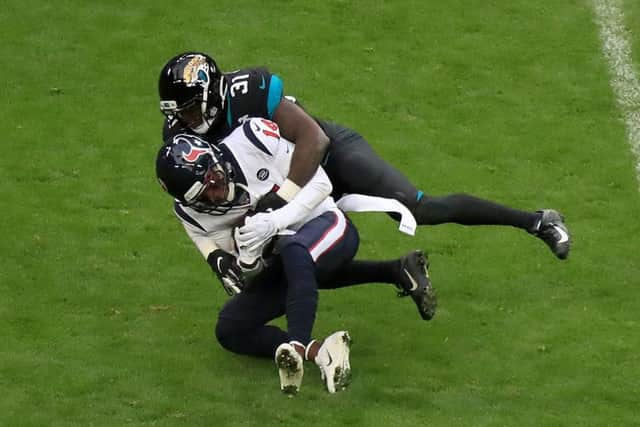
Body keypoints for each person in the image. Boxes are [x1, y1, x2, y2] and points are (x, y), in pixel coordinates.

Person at [157, 52, 572, 262]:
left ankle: (537, 221)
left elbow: (313, 139)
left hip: (327, 156)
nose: (184, 119)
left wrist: (281, 201)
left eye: (190, 108)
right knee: (288, 256)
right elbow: (188, 197)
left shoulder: (248, 90)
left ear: (212, 94)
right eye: (179, 112)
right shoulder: (181, 136)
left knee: (420, 208)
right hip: (278, 176)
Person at [155, 118, 434, 394]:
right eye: (207, 193)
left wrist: (275, 220)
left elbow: (321, 184)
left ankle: (297, 346)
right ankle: (322, 351)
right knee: (230, 327)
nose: (217, 191)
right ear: (189, 201)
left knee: (296, 252)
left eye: (215, 177)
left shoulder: (251, 140)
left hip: (328, 222)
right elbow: (247, 279)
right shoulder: (192, 216)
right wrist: (249, 261)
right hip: (290, 255)